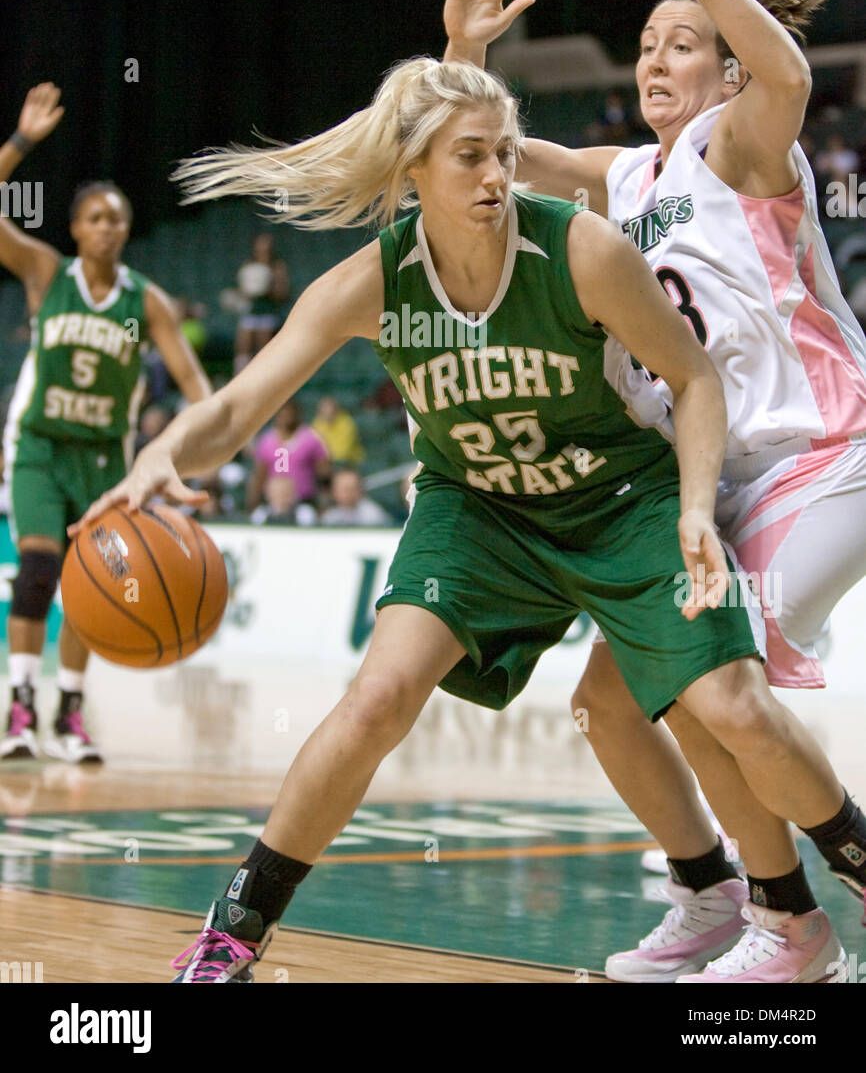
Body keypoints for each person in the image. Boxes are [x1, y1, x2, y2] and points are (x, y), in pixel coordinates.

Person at [73, 56, 851, 984]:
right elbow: (241, 412)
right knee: (377, 698)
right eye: (471, 158)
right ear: (415, 175)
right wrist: (163, 455)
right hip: (477, 511)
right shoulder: (372, 283)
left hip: (618, 499)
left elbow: (691, 379)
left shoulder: (580, 249)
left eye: (505, 154)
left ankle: (812, 891)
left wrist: (692, 507)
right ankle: (233, 932)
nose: (496, 176)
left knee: (726, 705)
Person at [441, 0, 866, 981]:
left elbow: (784, 75)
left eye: (682, 45)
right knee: (607, 702)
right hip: (715, 474)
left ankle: (797, 931)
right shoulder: (627, 177)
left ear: (723, 71)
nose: (653, 61)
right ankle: (713, 896)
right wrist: (461, 53)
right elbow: (481, 151)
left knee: (710, 675)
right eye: (643, 45)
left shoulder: (739, 141)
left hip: (823, 454)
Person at [0, 83, 212, 763]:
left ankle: (69, 712)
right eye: (94, 217)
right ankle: (21, 707)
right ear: (75, 228)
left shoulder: (146, 301)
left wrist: (191, 447)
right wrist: (22, 142)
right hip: (39, 447)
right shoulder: (44, 272)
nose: (107, 227)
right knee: (38, 570)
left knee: (89, 582)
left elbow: (193, 384)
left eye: (116, 219)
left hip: (103, 456)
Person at [246, 399, 329, 512]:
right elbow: (260, 473)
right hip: (274, 502)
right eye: (282, 414)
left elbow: (324, 473)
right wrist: (254, 500)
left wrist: (324, 500)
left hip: (305, 500)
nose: (286, 417)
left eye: (289, 413)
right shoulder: (267, 440)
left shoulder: (311, 437)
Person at [234, 233, 290, 372]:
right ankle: (239, 377)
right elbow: (242, 290)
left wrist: (268, 287)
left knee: (263, 348)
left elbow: (283, 294)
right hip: (251, 311)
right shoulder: (249, 265)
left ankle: (265, 375)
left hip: (268, 312)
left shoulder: (277, 266)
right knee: (243, 347)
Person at [320, 467, 390, 527]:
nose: (349, 493)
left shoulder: (373, 515)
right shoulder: (330, 516)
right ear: (334, 491)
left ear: (360, 490)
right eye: (345, 489)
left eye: (353, 488)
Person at [313, 396, 365, 464]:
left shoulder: (347, 423)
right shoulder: (317, 423)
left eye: (331, 411)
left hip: (351, 462)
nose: (327, 414)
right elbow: (313, 446)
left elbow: (342, 452)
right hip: (328, 462)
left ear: (337, 411)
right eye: (323, 411)